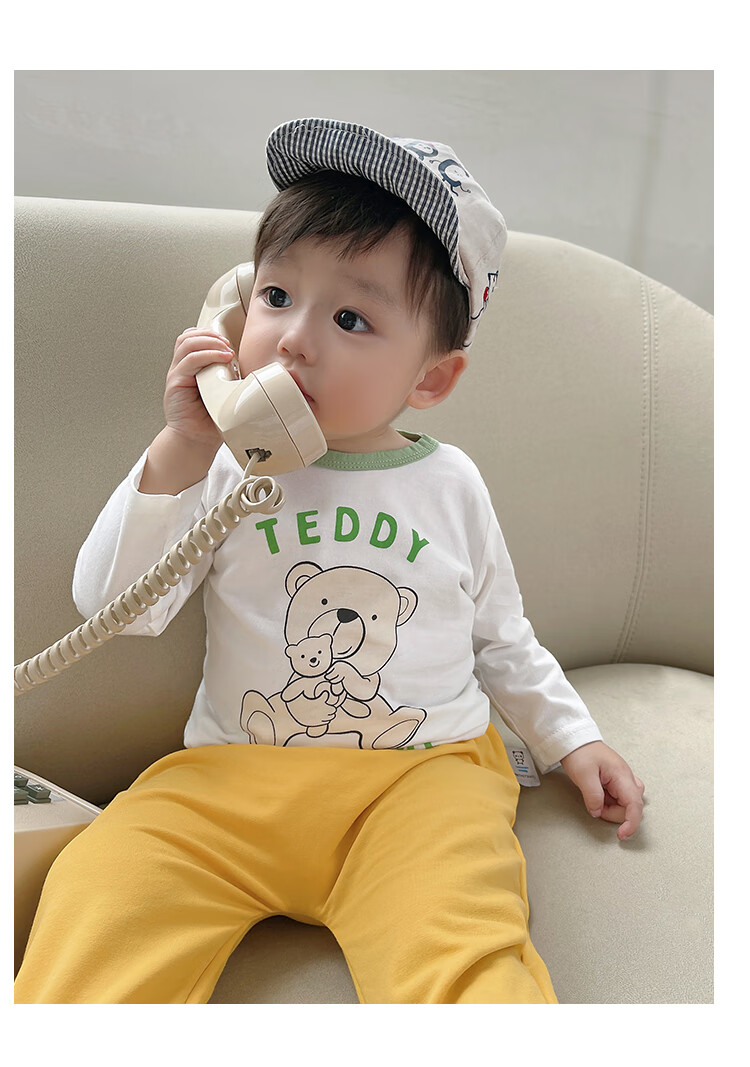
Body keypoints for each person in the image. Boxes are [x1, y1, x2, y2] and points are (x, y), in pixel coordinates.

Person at [14, 117, 645, 1004]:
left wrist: (572, 738)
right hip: (231, 781)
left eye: (351, 317)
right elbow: (113, 602)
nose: (293, 338)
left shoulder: (450, 484)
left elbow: (503, 637)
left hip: (417, 780)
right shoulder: (226, 469)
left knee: (459, 949)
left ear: (431, 378)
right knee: (103, 887)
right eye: (275, 296)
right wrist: (183, 446)